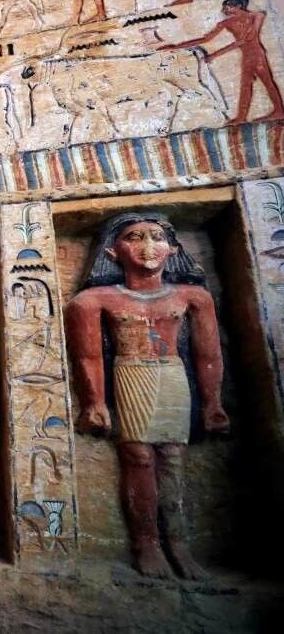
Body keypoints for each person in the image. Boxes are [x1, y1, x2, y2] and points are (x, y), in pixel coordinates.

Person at [65, 212, 229, 579]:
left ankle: (179, 544)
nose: (148, 246)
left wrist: (212, 402)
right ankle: (146, 544)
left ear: (172, 249)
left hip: (172, 374)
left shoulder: (193, 297)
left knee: (172, 458)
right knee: (138, 457)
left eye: (156, 237)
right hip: (130, 373)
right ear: (112, 251)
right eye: (135, 237)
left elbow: (208, 354)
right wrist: (94, 402)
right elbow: (88, 356)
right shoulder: (93, 300)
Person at [159, 0, 284, 125]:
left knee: (264, 82)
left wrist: (215, 55)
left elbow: (246, 39)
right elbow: (205, 39)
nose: (224, 10)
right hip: (248, 56)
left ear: (238, 6)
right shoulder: (227, 23)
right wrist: (175, 47)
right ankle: (243, 116)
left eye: (227, 7)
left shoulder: (257, 16)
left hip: (257, 55)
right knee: (246, 84)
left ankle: (275, 111)